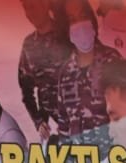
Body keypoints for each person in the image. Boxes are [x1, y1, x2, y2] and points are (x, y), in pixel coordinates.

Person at [48, 0, 121, 146]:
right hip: (79, 158)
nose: (80, 24)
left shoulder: (113, 61)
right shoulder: (65, 74)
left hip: (112, 157)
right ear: (66, 28)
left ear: (91, 19)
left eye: (83, 16)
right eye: (72, 20)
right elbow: (64, 128)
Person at [17, 0, 72, 143]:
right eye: (26, 8)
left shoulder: (68, 35)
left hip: (79, 123)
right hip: (51, 126)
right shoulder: (29, 45)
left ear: (46, 4)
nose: (29, 13)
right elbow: (26, 90)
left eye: (33, 6)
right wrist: (38, 121)